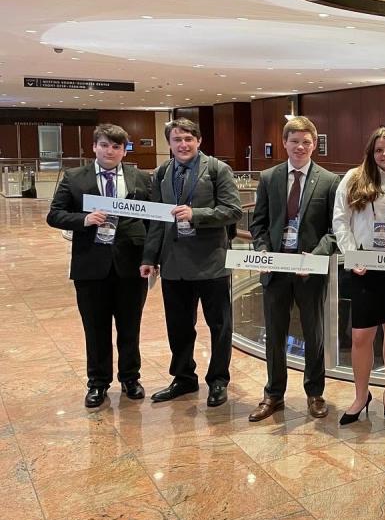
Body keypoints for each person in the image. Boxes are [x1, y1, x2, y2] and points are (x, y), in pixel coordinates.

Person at [46, 123, 153, 408]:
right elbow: (54, 215)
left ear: (124, 151)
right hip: (91, 266)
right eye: (105, 145)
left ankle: (131, 378)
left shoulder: (140, 178)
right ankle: (98, 383)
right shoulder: (74, 177)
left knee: (130, 327)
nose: (110, 151)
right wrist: (83, 220)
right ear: (94, 147)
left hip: (131, 266)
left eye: (116, 146)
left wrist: (150, 258)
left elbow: (152, 221)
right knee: (95, 328)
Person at [140, 118, 242, 407]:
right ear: (169, 144)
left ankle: (218, 380)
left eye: (188, 139)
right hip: (174, 265)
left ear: (199, 141)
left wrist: (196, 214)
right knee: (179, 326)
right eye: (176, 140)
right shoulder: (162, 173)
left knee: (219, 326)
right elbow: (156, 221)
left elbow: (233, 210)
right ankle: (183, 377)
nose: (183, 145)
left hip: (211, 264)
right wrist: (150, 257)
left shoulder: (217, 170)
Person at [247, 116, 340, 422]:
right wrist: (262, 251)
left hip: (309, 271)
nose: (300, 147)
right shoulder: (269, 177)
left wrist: (314, 257)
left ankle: (315, 393)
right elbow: (258, 223)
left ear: (315, 145)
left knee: (314, 333)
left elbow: (333, 229)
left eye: (306, 142)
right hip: (275, 269)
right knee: (275, 334)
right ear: (285, 143)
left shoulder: (329, 181)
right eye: (295, 141)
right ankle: (273, 394)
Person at [332, 126, 385, 425]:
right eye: (379, 149)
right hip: (363, 263)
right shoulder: (353, 179)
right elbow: (340, 220)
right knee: (361, 335)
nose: (384, 154)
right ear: (371, 152)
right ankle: (360, 394)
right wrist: (352, 254)